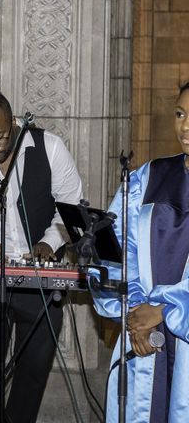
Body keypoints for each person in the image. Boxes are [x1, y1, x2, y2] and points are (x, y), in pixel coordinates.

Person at [0, 78, 83, 423]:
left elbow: (70, 207)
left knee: (34, 366)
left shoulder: (50, 147)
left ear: (13, 123)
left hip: (39, 278)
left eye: (0, 138)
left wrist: (49, 242)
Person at [91, 83, 189, 423]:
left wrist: (163, 310)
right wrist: (135, 313)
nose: (185, 126)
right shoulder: (149, 177)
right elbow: (116, 248)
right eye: (180, 114)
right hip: (144, 337)